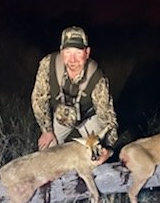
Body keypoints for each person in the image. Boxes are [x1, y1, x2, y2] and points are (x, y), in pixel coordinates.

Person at [31, 26, 118, 162]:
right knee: (46, 154)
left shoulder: (97, 77)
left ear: (87, 53)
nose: (72, 59)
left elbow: (107, 117)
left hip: (87, 119)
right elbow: (38, 99)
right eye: (68, 52)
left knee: (98, 157)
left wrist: (108, 147)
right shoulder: (48, 65)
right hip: (61, 118)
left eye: (78, 52)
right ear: (61, 51)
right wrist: (46, 130)